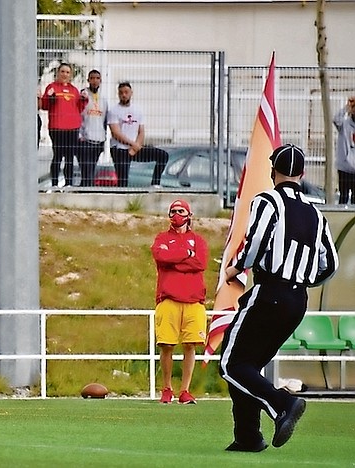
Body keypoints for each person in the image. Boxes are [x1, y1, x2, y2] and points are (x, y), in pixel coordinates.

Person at [219, 144, 339, 452]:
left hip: (269, 291)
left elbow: (257, 240)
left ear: (273, 172)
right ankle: (248, 436)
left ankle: (283, 404)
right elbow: (331, 263)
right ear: (302, 174)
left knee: (231, 364)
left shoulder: (267, 200)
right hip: (298, 300)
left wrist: (236, 268)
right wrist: (303, 280)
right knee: (248, 366)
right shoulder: (315, 212)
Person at [151, 199, 208, 404]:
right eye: (173, 211)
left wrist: (176, 262)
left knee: (190, 345)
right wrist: (185, 255)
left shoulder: (198, 241)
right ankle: (166, 388)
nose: (176, 214)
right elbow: (161, 257)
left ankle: (185, 390)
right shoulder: (162, 238)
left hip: (194, 301)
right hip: (169, 299)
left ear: (188, 214)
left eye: (180, 210)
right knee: (166, 345)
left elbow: (200, 262)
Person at [107, 82, 168, 188]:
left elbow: (141, 131)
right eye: (121, 93)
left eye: (126, 92)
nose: (124, 95)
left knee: (162, 156)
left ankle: (155, 183)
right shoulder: (114, 111)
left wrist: (136, 146)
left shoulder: (137, 110)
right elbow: (116, 133)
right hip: (120, 150)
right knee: (123, 181)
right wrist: (132, 144)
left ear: (131, 93)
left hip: (135, 148)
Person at [40, 62, 88, 188]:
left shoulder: (74, 90)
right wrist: (50, 98)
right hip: (57, 127)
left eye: (67, 72)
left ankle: (68, 184)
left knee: (69, 157)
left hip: (72, 128)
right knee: (57, 156)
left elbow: (79, 108)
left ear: (70, 75)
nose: (65, 74)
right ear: (58, 73)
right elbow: (44, 106)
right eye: (62, 71)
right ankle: (55, 184)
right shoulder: (52, 87)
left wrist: (83, 99)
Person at [78, 69, 108, 187]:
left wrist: (104, 137)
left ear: (100, 81)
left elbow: (104, 120)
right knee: (86, 169)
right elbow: (78, 114)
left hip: (98, 139)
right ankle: (86, 190)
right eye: (92, 78)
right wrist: (80, 134)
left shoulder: (103, 100)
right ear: (88, 80)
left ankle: (88, 189)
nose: (95, 81)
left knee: (92, 168)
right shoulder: (83, 95)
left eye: (97, 78)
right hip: (85, 139)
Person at [332, 95, 355, 205]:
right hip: (344, 167)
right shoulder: (344, 125)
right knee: (344, 196)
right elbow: (336, 119)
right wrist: (347, 107)